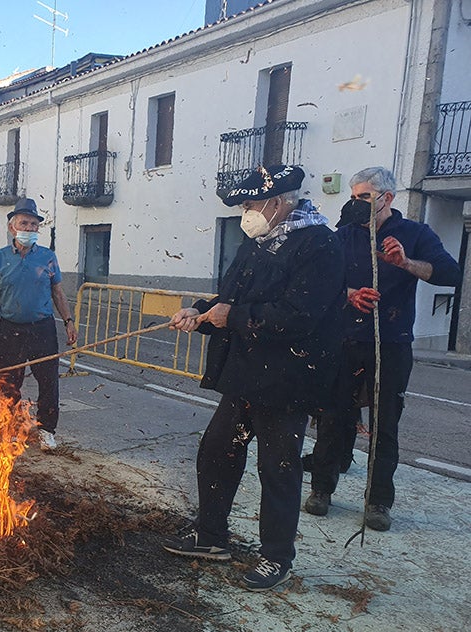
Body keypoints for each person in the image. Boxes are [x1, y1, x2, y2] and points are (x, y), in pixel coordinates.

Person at [163, 165, 345, 591]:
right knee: (216, 452)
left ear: (279, 203)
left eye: (249, 204)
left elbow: (301, 315)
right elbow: (230, 299)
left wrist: (234, 315)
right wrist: (200, 312)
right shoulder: (256, 242)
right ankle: (210, 537)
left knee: (277, 468)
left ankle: (276, 557)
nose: (246, 213)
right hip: (245, 376)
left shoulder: (320, 245)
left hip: (288, 381)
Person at [303, 166, 461, 531]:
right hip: (344, 341)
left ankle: (377, 502)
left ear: (386, 199)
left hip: (390, 342)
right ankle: (322, 489)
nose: (356, 203)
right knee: (332, 418)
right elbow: (319, 282)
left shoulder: (415, 234)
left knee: (385, 424)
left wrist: (405, 263)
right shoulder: (341, 236)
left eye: (364, 198)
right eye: (354, 197)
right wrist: (349, 294)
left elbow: (449, 274)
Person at [0, 197, 77, 451]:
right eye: (24, 223)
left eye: (34, 224)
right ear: (12, 227)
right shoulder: (0, 258)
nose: (29, 228)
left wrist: (69, 321)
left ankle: (47, 430)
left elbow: (58, 292)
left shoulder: (48, 257)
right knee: (9, 382)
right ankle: (9, 429)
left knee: (48, 381)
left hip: (42, 328)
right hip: (10, 329)